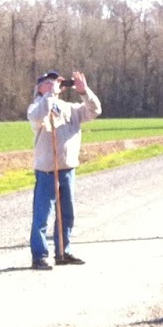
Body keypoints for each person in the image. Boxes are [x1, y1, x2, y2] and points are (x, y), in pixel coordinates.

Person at [27, 69, 101, 269]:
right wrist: (51, 95)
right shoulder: (37, 107)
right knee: (43, 214)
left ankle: (63, 252)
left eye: (55, 82)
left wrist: (84, 92)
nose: (53, 85)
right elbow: (36, 116)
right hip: (47, 170)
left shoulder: (70, 108)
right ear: (40, 88)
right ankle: (40, 255)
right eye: (48, 82)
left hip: (67, 169)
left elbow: (94, 110)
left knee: (67, 214)